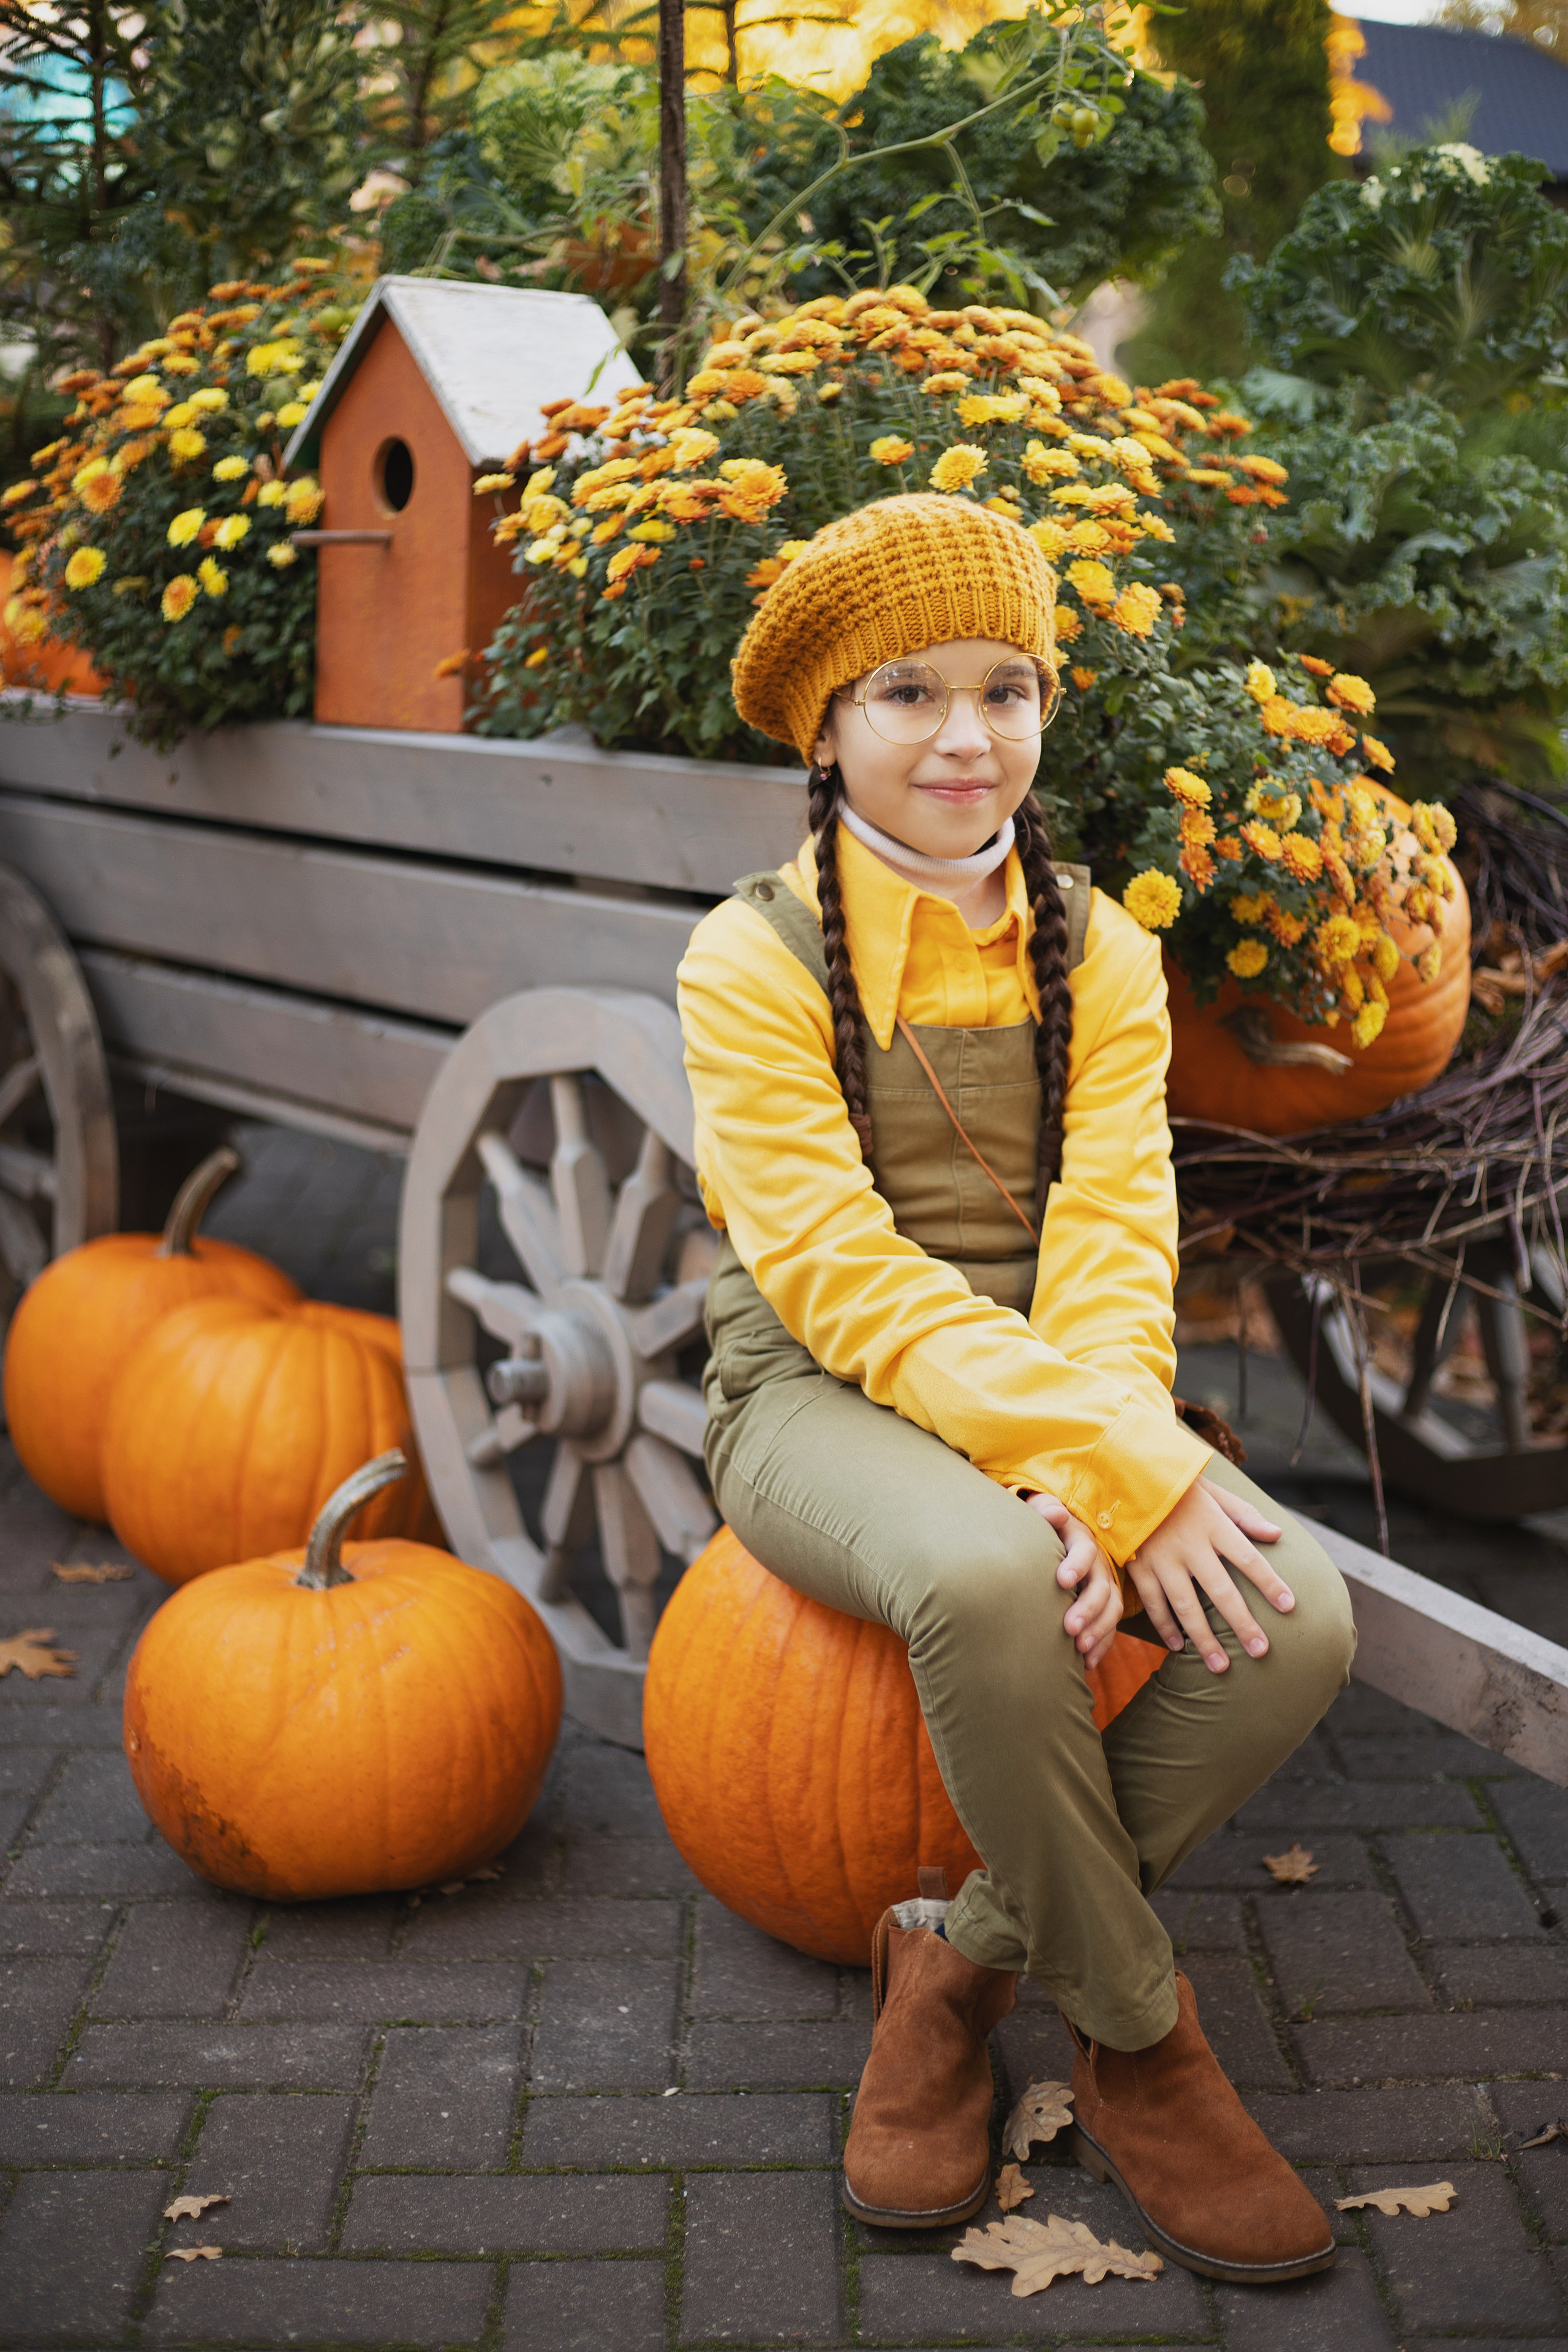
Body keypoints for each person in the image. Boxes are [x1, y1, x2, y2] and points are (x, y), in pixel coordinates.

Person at [676, 492, 1355, 2288]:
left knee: (1299, 1625)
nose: (968, 736)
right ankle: (1145, 2054)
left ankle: (955, 1973)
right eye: (908, 694)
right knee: (982, 1586)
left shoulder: (1100, 953)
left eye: (1008, 687)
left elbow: (1118, 1237)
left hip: (1054, 1379)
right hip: (819, 1387)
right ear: (825, 734)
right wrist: (1068, 1469)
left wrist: (1096, 1457)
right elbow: (833, 1271)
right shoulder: (751, 958)